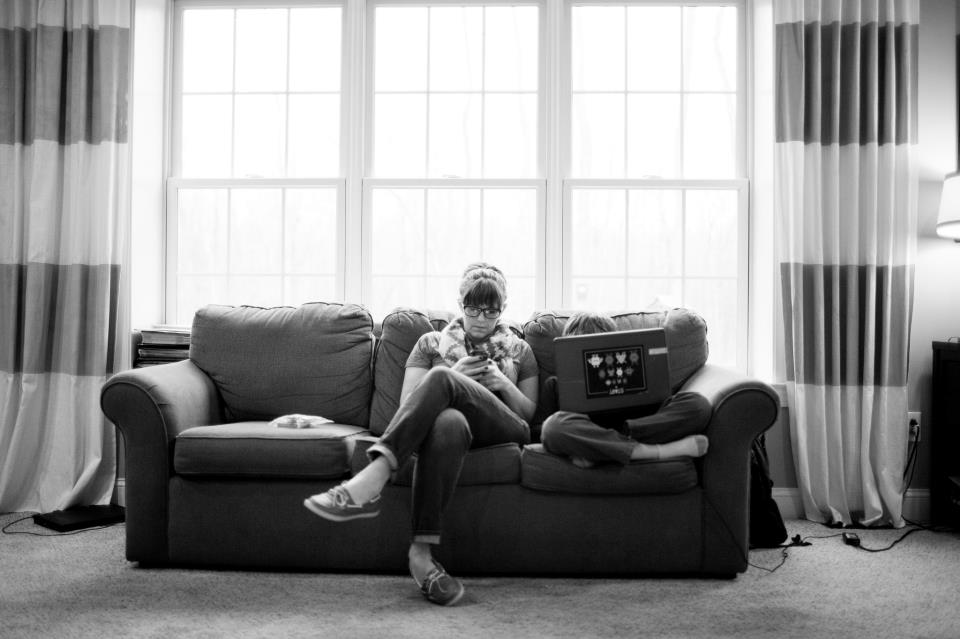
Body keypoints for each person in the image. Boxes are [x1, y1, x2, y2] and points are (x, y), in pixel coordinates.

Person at [303, 263, 538, 606]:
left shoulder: (519, 349)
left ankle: (373, 477)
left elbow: (527, 416)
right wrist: (458, 374)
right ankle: (421, 556)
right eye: (473, 309)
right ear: (460, 305)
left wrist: (501, 382)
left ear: (502, 310)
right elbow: (408, 406)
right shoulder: (430, 344)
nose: (481, 319)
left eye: (491, 311)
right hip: (451, 430)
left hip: (502, 428)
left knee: (441, 378)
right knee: (448, 421)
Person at [540, 312, 710, 468]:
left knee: (698, 404)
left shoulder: (631, 369)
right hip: (585, 433)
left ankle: (601, 451)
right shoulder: (555, 384)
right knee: (552, 427)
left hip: (635, 427)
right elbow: (539, 431)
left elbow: (663, 405)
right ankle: (652, 452)